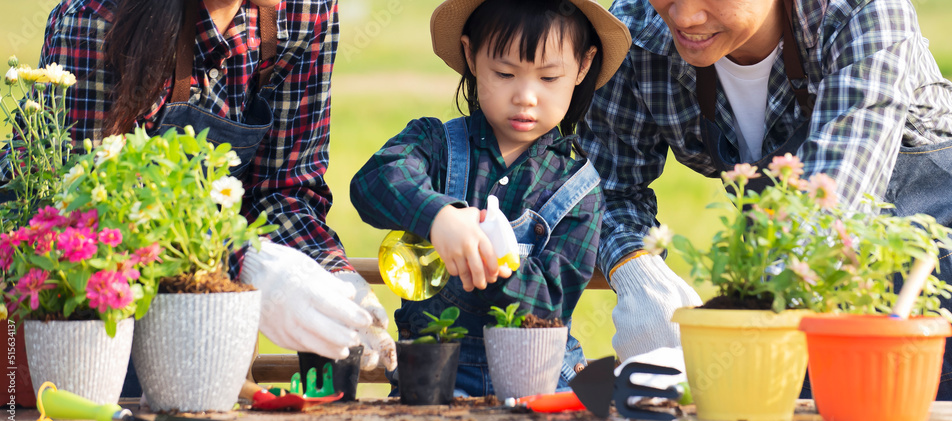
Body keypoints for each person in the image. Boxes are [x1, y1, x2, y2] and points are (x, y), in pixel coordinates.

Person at [578, 0, 952, 401]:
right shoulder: (636, 31)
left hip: (944, 294)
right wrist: (637, 271)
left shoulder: (856, 12)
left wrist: (729, 338)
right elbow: (611, 187)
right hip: (792, 291)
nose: (684, 16)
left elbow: (831, 203)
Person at [0, 0, 396, 391]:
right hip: (87, 313)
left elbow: (283, 187)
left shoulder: (303, 11)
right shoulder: (98, 18)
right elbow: (87, 202)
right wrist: (248, 262)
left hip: (205, 310)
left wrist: (334, 273)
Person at [350, 0, 630, 396]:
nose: (526, 97)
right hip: (433, 378)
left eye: (549, 78)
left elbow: (551, 301)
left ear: (583, 67)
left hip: (540, 380)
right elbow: (374, 181)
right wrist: (439, 217)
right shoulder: (435, 146)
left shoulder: (578, 190)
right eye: (504, 73)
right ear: (471, 55)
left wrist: (496, 258)